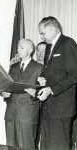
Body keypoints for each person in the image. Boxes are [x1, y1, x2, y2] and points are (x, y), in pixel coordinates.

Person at [37, 16, 77, 150]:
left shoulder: (68, 43)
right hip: (48, 107)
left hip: (62, 107)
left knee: (58, 146)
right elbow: (49, 71)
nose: (42, 37)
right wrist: (42, 78)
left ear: (53, 28)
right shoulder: (49, 47)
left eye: (43, 33)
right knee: (46, 146)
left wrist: (51, 89)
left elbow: (73, 75)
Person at [2, 39, 43, 149]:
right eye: (18, 47)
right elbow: (8, 87)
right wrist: (4, 94)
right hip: (11, 114)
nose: (18, 50)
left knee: (27, 147)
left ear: (30, 50)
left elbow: (42, 91)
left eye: (22, 48)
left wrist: (35, 93)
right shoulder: (14, 67)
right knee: (10, 146)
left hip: (27, 116)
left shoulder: (39, 68)